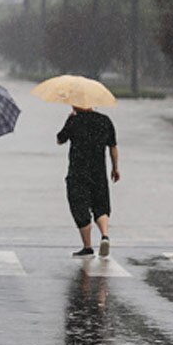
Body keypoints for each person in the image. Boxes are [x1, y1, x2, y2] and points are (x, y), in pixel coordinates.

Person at [56, 106, 119, 257]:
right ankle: (105, 235)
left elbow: (60, 139)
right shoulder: (105, 121)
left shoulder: (74, 120)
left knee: (79, 206)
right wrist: (115, 168)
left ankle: (87, 246)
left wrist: (69, 119)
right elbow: (113, 146)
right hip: (99, 172)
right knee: (101, 205)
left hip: (78, 171)